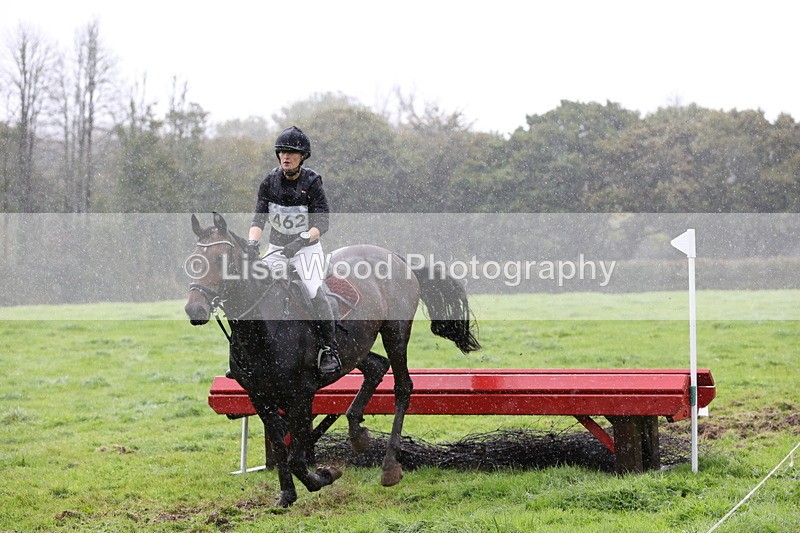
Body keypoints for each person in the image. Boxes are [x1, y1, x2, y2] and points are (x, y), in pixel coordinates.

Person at [246, 126, 341, 374]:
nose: (285, 157)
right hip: (277, 247)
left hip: (306, 248)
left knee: (312, 289)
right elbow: (259, 220)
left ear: (302, 157)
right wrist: (252, 244)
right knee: (255, 288)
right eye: (282, 152)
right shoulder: (269, 182)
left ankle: (328, 350)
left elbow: (322, 223)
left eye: (291, 153)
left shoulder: (312, 182)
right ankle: (251, 351)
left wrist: (300, 240)